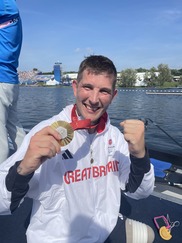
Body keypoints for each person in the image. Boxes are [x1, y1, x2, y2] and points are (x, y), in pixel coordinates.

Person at [0, 55, 155, 242]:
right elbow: (3, 204)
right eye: (87, 87)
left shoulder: (115, 136)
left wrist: (140, 155)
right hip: (57, 238)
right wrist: (23, 168)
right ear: (75, 88)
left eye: (104, 91)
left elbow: (138, 192)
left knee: (149, 235)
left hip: (103, 229)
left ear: (113, 96)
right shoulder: (46, 132)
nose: (94, 99)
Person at [0, 0, 26, 164]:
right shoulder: (11, 10)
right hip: (10, 81)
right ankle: (30, 166)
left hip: (1, 79)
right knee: (14, 128)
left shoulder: (5, 5)